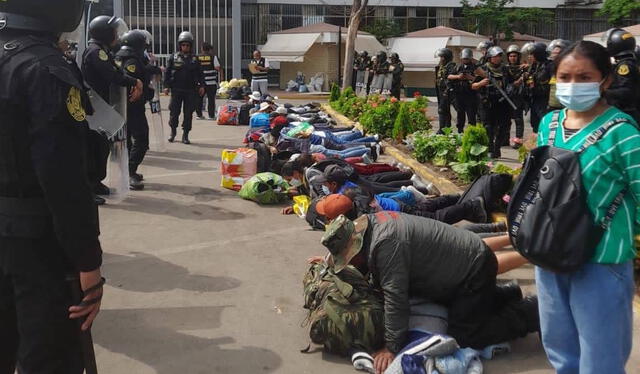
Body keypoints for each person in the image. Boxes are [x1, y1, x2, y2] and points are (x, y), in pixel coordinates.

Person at [0, 1, 105, 372]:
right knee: (49, 354)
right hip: (36, 241)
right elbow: (63, 180)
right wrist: (88, 261)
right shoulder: (45, 69)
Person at [320, 213, 539, 373]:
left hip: (472, 270)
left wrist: (391, 347)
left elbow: (396, 298)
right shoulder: (370, 226)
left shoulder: (386, 245)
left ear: (356, 247)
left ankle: (531, 312)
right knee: (460, 308)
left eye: (350, 259)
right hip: (460, 264)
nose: (352, 264)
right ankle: (506, 294)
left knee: (466, 335)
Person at [535, 40, 640, 374]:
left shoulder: (623, 133)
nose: (572, 85)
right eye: (565, 76)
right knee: (561, 352)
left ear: (605, 80)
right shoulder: (548, 125)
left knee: (601, 360)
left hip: (602, 262)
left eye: (584, 77)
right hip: (549, 257)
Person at [82, 15, 143, 197]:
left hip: (103, 108)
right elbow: (113, 76)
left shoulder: (103, 51)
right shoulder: (95, 52)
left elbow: (116, 72)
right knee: (93, 149)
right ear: (105, 33)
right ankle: (89, 188)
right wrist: (135, 82)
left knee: (101, 148)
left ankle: (96, 182)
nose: (117, 34)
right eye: (114, 31)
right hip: (95, 109)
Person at [116, 30, 151, 191]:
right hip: (133, 107)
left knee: (128, 140)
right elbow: (133, 84)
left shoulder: (119, 57)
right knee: (142, 140)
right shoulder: (132, 61)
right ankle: (130, 172)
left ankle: (129, 171)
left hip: (123, 107)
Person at [164, 31, 205, 144]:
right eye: (183, 45)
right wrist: (166, 86)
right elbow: (167, 72)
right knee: (174, 112)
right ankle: (173, 132)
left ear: (190, 46)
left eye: (187, 45)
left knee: (188, 113)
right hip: (176, 90)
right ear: (180, 45)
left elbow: (200, 74)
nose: (185, 47)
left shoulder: (195, 59)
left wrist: (202, 86)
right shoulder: (174, 57)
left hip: (190, 90)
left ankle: (185, 135)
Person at [473, 46, 512, 158]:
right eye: (495, 56)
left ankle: (497, 147)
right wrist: (481, 83)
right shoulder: (483, 69)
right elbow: (473, 85)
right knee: (488, 127)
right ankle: (490, 148)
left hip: (503, 102)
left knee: (504, 126)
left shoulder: (505, 69)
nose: (498, 58)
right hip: (487, 102)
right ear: (490, 58)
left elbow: (511, 83)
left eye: (500, 56)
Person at [605, 28, 640, 124]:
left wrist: (602, 92)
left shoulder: (625, 65)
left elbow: (626, 91)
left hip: (628, 112)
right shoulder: (631, 62)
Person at [448, 48, 480, 133]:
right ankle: (460, 131)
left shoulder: (476, 67)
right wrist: (458, 77)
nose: (465, 60)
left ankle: (471, 132)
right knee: (460, 114)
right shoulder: (458, 67)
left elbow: (481, 79)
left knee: (471, 115)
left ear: (470, 58)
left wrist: (471, 77)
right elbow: (449, 76)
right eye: (464, 58)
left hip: (471, 95)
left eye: (467, 58)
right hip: (459, 94)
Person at [523, 42, 551, 133]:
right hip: (534, 98)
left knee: (544, 122)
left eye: (532, 54)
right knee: (534, 123)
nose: (530, 57)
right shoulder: (533, 66)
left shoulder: (548, 66)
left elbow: (544, 83)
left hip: (544, 99)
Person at [505, 45, 526, 147]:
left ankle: (518, 141)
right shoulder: (505, 69)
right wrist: (514, 84)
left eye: (515, 56)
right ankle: (504, 139)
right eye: (511, 56)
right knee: (505, 119)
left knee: (518, 120)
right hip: (507, 97)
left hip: (518, 97)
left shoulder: (523, 69)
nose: (512, 58)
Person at [196, 42, 223, 120]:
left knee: (199, 99)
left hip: (200, 83)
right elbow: (218, 67)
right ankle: (211, 116)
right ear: (209, 49)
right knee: (211, 99)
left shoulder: (198, 57)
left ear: (202, 48)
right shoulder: (213, 57)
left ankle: (199, 115)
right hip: (211, 82)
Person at [434, 48, 457, 132]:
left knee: (442, 110)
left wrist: (447, 90)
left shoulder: (451, 66)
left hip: (448, 92)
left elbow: (450, 79)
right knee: (445, 110)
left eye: (442, 57)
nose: (441, 59)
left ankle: (442, 130)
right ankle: (447, 129)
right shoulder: (441, 67)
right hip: (441, 91)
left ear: (446, 57)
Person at [546, 39, 570, 112]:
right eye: (554, 53)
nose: (555, 55)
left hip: (565, 105)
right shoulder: (550, 67)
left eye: (558, 53)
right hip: (552, 105)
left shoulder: (570, 69)